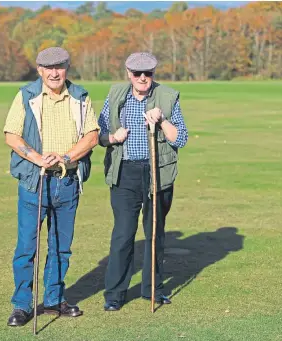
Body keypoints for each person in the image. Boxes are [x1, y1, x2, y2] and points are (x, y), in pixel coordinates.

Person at [3, 47, 99, 326]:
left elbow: (92, 136)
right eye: (48, 68)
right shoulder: (26, 96)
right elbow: (12, 135)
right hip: (35, 181)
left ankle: (54, 299)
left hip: (67, 181)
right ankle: (22, 305)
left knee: (60, 248)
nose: (54, 73)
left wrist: (66, 157)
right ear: (40, 70)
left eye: (59, 67)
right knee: (26, 248)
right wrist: (38, 158)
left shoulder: (80, 97)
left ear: (67, 68)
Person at [97, 52, 188, 311]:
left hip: (157, 172)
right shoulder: (116, 95)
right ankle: (114, 294)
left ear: (153, 73)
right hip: (124, 173)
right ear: (128, 73)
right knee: (123, 234)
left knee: (155, 232)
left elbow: (180, 138)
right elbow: (99, 135)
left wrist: (161, 121)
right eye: (137, 73)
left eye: (148, 73)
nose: (142, 78)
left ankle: (152, 290)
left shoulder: (168, 96)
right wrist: (114, 137)